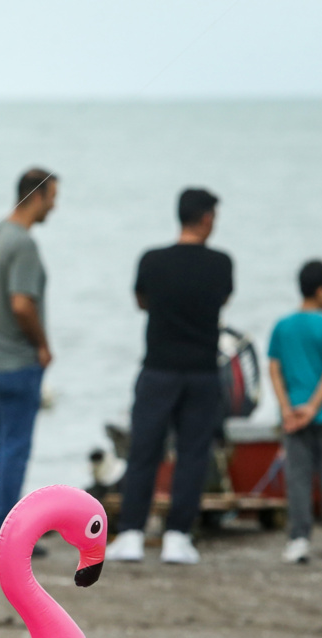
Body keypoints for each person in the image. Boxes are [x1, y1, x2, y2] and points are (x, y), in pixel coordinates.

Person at [106, 188, 232, 565]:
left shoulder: (153, 260)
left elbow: (142, 302)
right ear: (207, 217)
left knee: (144, 450)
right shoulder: (221, 263)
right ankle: (178, 536)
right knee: (193, 454)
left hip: (158, 367)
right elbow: (221, 301)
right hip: (203, 372)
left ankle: (131, 533)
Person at [0, 167, 57, 557]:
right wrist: (42, 345)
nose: (54, 206)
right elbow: (22, 303)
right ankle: (8, 535)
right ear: (36, 196)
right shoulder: (23, 244)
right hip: (17, 359)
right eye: (52, 197)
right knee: (15, 448)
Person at [267, 260, 322, 564]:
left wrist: (287, 409)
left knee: (298, 478)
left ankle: (299, 539)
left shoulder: (282, 326)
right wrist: (314, 407)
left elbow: (274, 369)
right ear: (321, 291)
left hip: (292, 417)